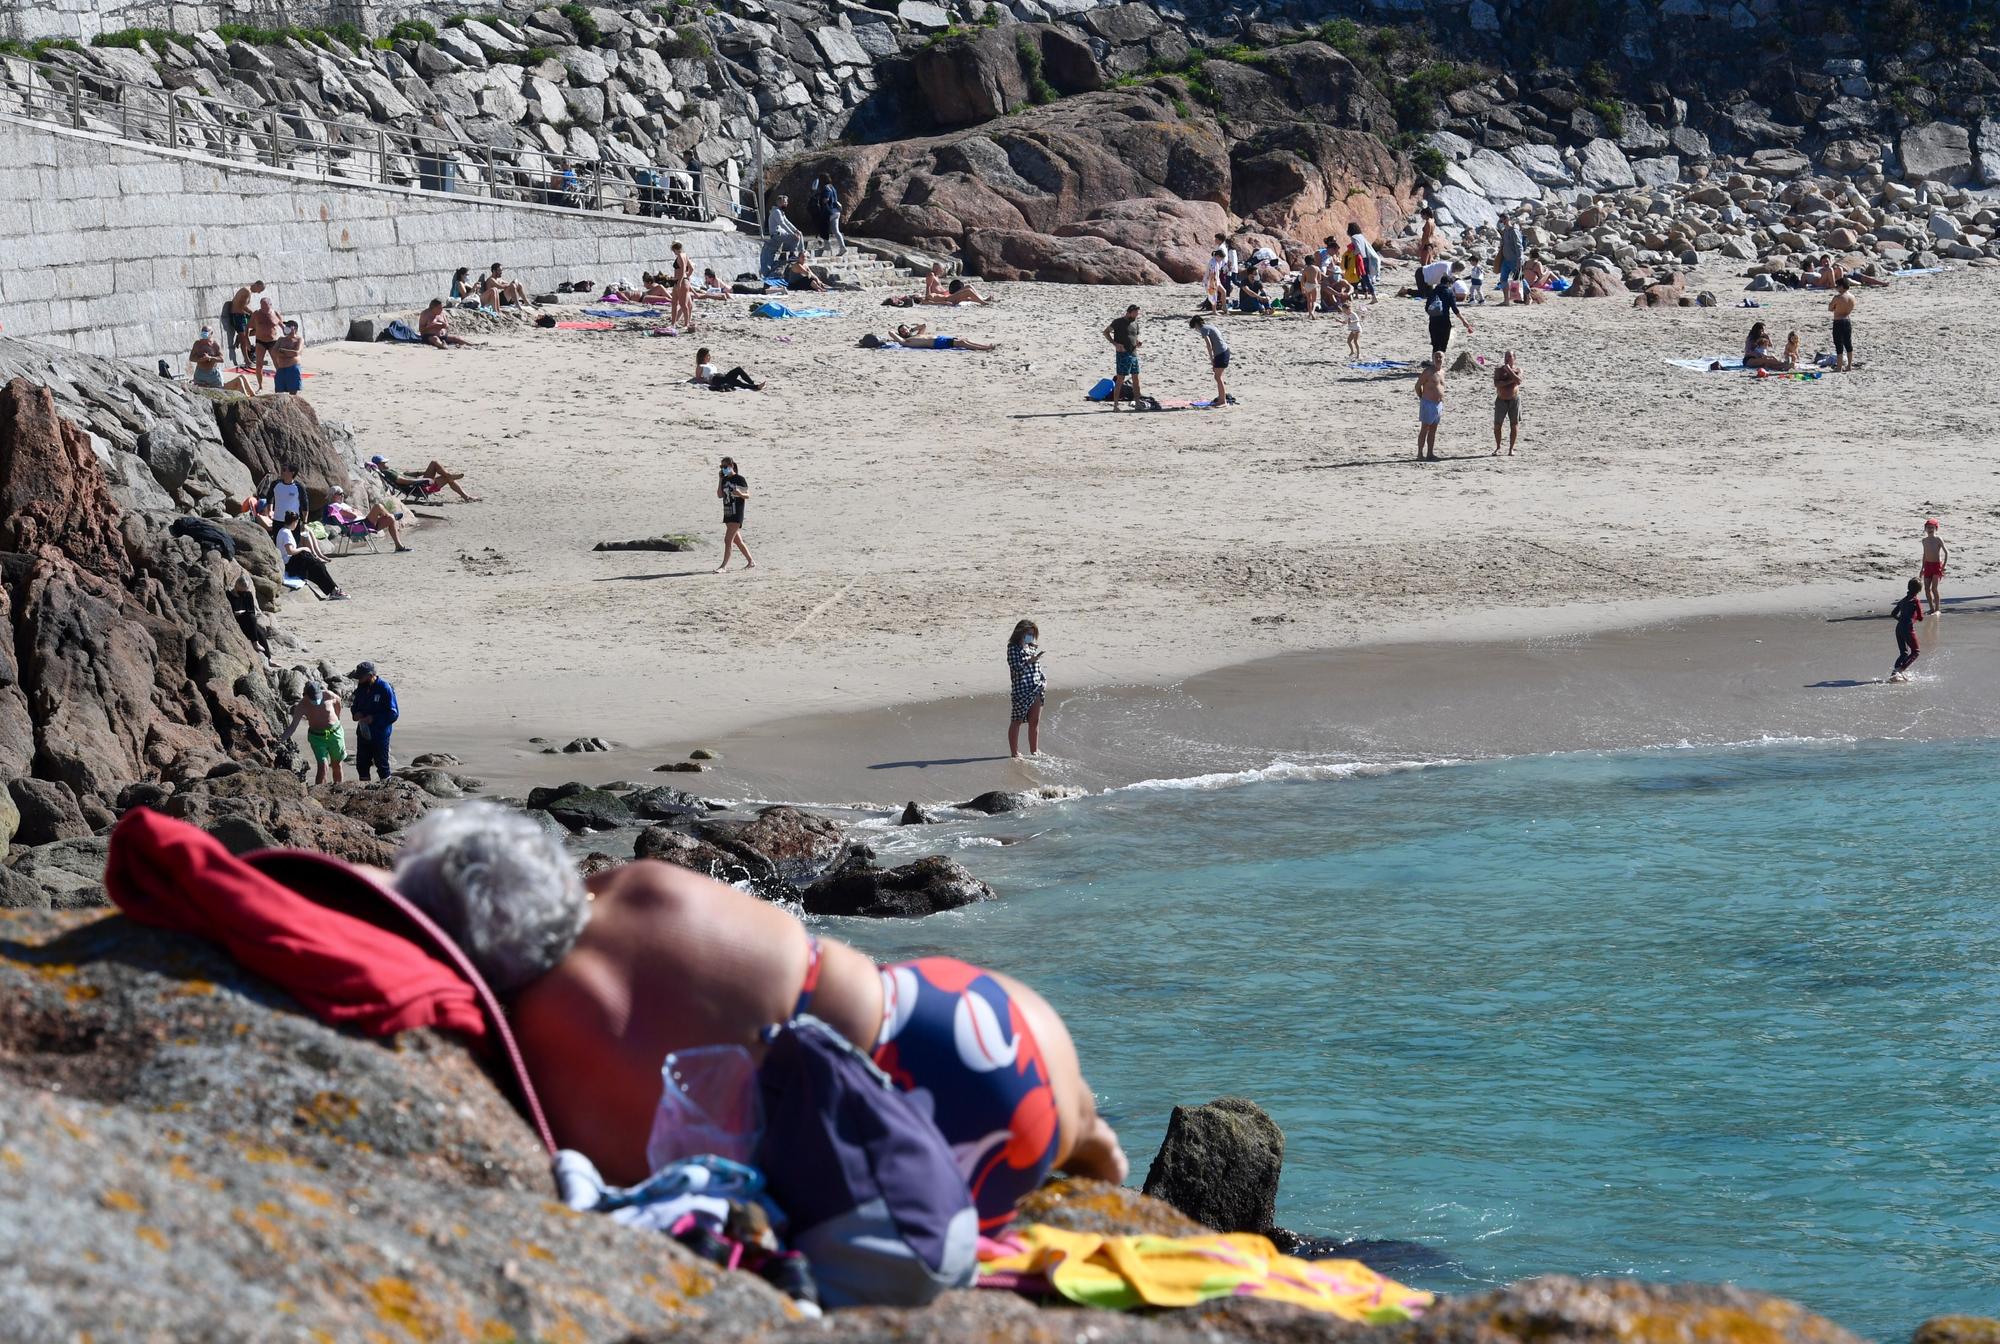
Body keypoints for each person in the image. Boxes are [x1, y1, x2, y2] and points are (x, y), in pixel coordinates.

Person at [389, 802, 1129, 1220]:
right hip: (959, 1013)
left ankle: (1060, 1141)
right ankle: (1082, 1125)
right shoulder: (640, 887)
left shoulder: (548, 1037)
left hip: (907, 1147)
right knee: (1059, 1093)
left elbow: (623, 1159)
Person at [282, 681, 346, 783]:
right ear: (306, 695)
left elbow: (338, 701)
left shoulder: (328, 695)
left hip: (335, 734)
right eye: (313, 698)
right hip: (317, 737)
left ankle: (338, 789)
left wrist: (337, 719)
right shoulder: (302, 705)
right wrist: (281, 740)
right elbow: (292, 726)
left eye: (317, 696)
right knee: (323, 766)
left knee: (337, 764)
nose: (316, 700)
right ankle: (319, 793)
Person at [275, 513, 345, 600]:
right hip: (289, 563)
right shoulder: (286, 533)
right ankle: (333, 590)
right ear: (294, 522)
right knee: (317, 566)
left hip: (290, 561)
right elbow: (290, 551)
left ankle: (333, 589)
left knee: (318, 567)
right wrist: (303, 548)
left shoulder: (282, 531)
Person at [349, 660, 399, 781]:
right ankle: (364, 790)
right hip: (363, 733)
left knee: (382, 765)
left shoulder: (384, 688)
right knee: (362, 765)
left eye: (361, 677)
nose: (359, 680)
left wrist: (374, 718)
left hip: (380, 734)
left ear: (371, 676)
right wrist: (356, 713)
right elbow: (354, 705)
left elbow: (393, 714)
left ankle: (386, 788)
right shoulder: (360, 688)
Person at [324, 485, 411, 552]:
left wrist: (354, 511)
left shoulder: (342, 505)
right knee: (378, 506)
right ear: (333, 496)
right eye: (340, 494)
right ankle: (390, 515)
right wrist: (354, 511)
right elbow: (353, 515)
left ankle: (399, 546)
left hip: (364, 523)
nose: (342, 495)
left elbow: (358, 512)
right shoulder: (334, 506)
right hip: (359, 526)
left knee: (391, 520)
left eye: (343, 493)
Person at [1006, 619, 1045, 758]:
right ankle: (1014, 752)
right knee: (1017, 721)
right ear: (1020, 633)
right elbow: (1016, 668)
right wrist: (1029, 661)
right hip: (1021, 690)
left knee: (1035, 721)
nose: (1031, 636)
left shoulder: (1031, 646)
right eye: (1028, 633)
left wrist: (1042, 680)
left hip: (1036, 687)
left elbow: (1036, 667)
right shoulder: (1013, 648)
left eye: (1032, 634)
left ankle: (1034, 750)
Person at [369, 455, 479, 502]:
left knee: (434, 464)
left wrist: (421, 473)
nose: (386, 463)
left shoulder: (387, 471)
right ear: (379, 465)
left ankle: (450, 477)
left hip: (418, 484)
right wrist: (420, 480)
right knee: (445, 476)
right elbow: (402, 480)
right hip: (419, 487)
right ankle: (465, 495)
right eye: (384, 462)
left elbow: (404, 474)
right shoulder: (388, 473)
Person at [716, 457, 753, 572]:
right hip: (728, 512)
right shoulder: (725, 479)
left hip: (737, 513)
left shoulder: (739, 479)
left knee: (728, 540)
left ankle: (723, 566)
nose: (723, 469)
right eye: (721, 467)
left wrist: (740, 493)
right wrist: (720, 479)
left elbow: (748, 495)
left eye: (725, 467)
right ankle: (751, 561)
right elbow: (720, 495)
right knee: (737, 541)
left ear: (731, 465)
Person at [1103, 303, 1141, 410]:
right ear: (1128, 312)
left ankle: (1137, 403)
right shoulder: (1118, 322)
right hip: (1122, 354)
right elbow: (1106, 332)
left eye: (1137, 313)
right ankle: (1115, 406)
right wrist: (1115, 344)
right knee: (1120, 379)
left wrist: (1137, 343)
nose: (1136, 315)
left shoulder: (1135, 323)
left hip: (1133, 354)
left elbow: (1134, 336)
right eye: (1135, 313)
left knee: (1136, 379)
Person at [1425, 272, 1472, 357]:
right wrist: (1464, 321)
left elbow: (1426, 308)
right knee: (1443, 345)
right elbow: (1455, 309)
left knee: (1435, 344)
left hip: (1433, 321)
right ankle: (1440, 363)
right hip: (1444, 322)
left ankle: (1434, 363)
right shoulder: (1449, 292)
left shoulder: (1433, 292)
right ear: (1448, 283)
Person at [1189, 315, 1231, 406]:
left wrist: (1212, 359)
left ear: (1196, 324)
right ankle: (1221, 399)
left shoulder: (1203, 329)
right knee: (1218, 377)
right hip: (1225, 351)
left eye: (1195, 328)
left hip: (1221, 354)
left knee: (1218, 377)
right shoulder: (1210, 326)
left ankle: (1223, 401)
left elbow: (1209, 345)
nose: (1196, 330)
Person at [228, 575, 272, 660]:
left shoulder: (248, 594)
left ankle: (269, 659)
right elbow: (229, 610)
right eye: (243, 588)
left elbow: (251, 610)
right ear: (237, 586)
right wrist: (236, 613)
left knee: (261, 635)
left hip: (248, 619)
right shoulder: (229, 595)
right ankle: (255, 643)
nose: (245, 591)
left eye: (246, 588)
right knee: (251, 618)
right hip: (237, 620)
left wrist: (243, 612)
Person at [1889, 578, 1924, 682]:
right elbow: (1921, 618)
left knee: (1904, 653)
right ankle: (1900, 670)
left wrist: (1901, 620)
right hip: (1908, 629)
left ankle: (1894, 675)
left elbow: (1893, 614)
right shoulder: (1916, 601)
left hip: (1899, 628)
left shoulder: (1902, 601)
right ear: (1919, 590)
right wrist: (1914, 618)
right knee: (1916, 652)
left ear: (1908, 588)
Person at [761, 193, 804, 277]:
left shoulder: (780, 212)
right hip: (776, 235)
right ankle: (792, 254)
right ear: (779, 202)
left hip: (781, 233)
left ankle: (802, 252)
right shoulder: (776, 212)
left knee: (799, 233)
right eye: (784, 202)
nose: (786, 204)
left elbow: (787, 222)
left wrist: (796, 230)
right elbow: (782, 223)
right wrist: (793, 233)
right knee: (795, 237)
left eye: (786, 202)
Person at [1415, 350, 1445, 462]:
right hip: (1428, 403)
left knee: (1433, 430)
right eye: (1436, 357)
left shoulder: (1442, 372)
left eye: (1440, 357)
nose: (1438, 359)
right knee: (1424, 428)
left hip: (1438, 404)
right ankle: (1419, 454)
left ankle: (1430, 453)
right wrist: (1423, 397)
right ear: (1433, 359)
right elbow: (1418, 386)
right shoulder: (1428, 372)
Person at [224, 280, 264, 367]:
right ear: (256, 285)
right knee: (243, 340)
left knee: (260, 327)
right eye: (260, 290)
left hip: (243, 316)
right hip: (237, 316)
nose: (259, 292)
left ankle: (241, 336)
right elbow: (242, 306)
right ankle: (247, 360)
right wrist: (252, 313)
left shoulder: (248, 292)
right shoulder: (246, 291)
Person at [249, 297, 284, 391]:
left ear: (270, 305)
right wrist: (246, 341)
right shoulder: (256, 314)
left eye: (265, 306)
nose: (263, 308)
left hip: (273, 341)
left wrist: (289, 335)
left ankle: (281, 384)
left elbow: (283, 326)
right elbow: (248, 327)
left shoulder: (275, 313)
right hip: (260, 341)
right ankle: (260, 386)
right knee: (259, 364)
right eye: (261, 306)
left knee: (277, 363)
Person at [690, 347, 763, 392]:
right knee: (736, 381)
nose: (710, 357)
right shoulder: (700, 366)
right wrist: (706, 380)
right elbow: (698, 379)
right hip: (714, 379)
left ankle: (752, 384)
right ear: (703, 357)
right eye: (708, 356)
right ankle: (755, 386)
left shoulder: (710, 364)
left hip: (721, 376)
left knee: (738, 371)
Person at [1492, 350, 1522, 456]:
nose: (1507, 358)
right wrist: (1509, 381)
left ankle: (1511, 448)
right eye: (1506, 356)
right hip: (1501, 400)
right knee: (1497, 425)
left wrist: (1509, 370)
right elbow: (1496, 384)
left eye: (1509, 356)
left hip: (1514, 400)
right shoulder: (1499, 370)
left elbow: (1518, 381)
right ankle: (1498, 447)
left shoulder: (1518, 370)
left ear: (1514, 358)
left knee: (1514, 424)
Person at [924, 263, 995, 305]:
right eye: (941, 269)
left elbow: (935, 288)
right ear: (937, 269)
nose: (942, 271)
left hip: (946, 294)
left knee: (968, 288)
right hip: (945, 297)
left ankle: (983, 299)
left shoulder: (936, 276)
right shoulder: (931, 275)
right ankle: (983, 301)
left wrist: (946, 291)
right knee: (968, 290)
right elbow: (928, 287)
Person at [187, 324, 228, 391]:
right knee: (199, 393)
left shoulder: (215, 345)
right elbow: (191, 358)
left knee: (219, 392)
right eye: (202, 331)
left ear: (211, 333)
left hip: (213, 374)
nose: (204, 333)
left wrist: (210, 358)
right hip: (200, 373)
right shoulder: (197, 344)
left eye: (206, 331)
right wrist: (200, 360)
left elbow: (222, 359)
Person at [270, 319, 305, 395]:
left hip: (292, 369)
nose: (286, 327)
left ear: (294, 328)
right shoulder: (281, 339)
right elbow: (273, 352)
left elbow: (296, 353)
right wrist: (287, 353)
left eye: (289, 326)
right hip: (281, 369)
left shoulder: (299, 339)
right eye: (286, 326)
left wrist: (282, 351)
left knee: (293, 394)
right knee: (279, 393)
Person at [1345, 223, 1379, 300]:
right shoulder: (1361, 236)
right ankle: (1370, 294)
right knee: (1365, 277)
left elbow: (1358, 249)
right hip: (1366, 258)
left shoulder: (1354, 237)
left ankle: (1373, 295)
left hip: (1360, 259)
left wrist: (1352, 254)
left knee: (1361, 277)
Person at [1921, 519, 1947, 616]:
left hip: (1937, 565)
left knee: (1934, 588)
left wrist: (1944, 565)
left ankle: (1937, 609)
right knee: (1927, 588)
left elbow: (1946, 552)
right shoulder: (1924, 541)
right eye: (1928, 528)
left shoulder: (1938, 539)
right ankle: (1931, 608)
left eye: (1932, 528)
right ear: (1925, 529)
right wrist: (1922, 568)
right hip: (1927, 565)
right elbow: (1924, 555)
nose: (1930, 529)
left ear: (1936, 528)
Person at [1829, 278, 1856, 371]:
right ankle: (1849, 366)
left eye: (1837, 286)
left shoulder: (1838, 297)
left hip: (1838, 321)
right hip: (1847, 320)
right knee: (1848, 344)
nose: (1836, 288)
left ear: (1841, 286)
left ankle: (1839, 367)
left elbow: (1830, 308)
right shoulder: (1852, 297)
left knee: (1838, 344)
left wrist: (1835, 307)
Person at [668, 242, 696, 328]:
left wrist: (680, 280)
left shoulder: (680, 256)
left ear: (675, 249)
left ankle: (686, 324)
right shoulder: (685, 255)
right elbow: (691, 268)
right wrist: (687, 275)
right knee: (674, 303)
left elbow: (683, 267)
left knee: (683, 304)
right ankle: (673, 323)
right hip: (681, 280)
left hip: (681, 282)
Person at [1498, 215, 1525, 304]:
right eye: (1501, 221)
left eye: (1504, 220)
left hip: (1514, 259)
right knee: (1503, 279)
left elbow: (1519, 246)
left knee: (1520, 279)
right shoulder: (1505, 231)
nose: (1503, 222)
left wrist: (1520, 258)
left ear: (1508, 219)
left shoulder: (1514, 231)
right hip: (1505, 259)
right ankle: (1506, 300)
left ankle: (1528, 298)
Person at [821, 178, 847, 257]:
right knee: (836, 231)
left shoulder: (826, 188)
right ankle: (842, 247)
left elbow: (826, 199)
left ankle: (827, 245)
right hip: (836, 211)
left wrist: (821, 200)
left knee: (822, 226)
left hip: (830, 211)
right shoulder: (832, 187)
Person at [1343, 296, 1363, 360]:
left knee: (1355, 341)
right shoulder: (1346, 315)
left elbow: (1358, 320)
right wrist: (1339, 321)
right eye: (1343, 310)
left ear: (1348, 309)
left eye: (1345, 310)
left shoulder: (1353, 314)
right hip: (1352, 330)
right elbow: (1346, 322)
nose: (1344, 311)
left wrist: (1352, 321)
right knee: (1348, 341)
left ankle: (1358, 354)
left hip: (1357, 329)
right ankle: (1352, 352)